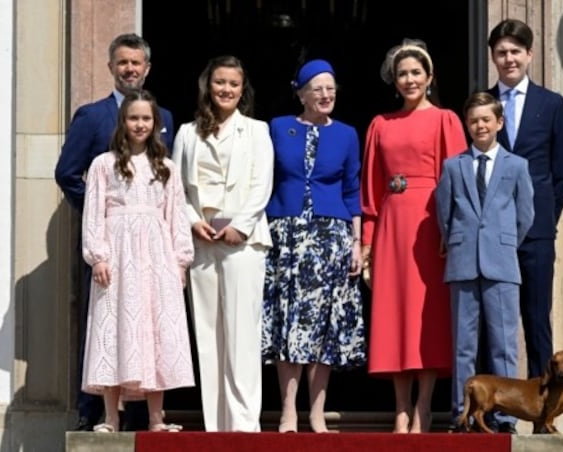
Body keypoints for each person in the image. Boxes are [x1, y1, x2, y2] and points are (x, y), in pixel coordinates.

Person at [54, 32, 175, 432]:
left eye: (136, 62)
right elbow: (67, 173)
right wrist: (102, 220)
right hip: (110, 247)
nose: (129, 69)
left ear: (147, 68)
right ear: (111, 66)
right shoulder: (92, 116)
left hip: (151, 250)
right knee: (107, 325)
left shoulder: (166, 118)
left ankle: (142, 416)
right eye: (122, 62)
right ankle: (95, 414)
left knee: (147, 324)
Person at [360, 39, 467, 433]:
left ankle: (424, 406)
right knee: (393, 313)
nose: (409, 79)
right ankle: (400, 408)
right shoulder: (379, 124)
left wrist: (450, 228)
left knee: (427, 315)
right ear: (394, 79)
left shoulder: (445, 120)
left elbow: (456, 181)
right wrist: (367, 244)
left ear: (429, 76)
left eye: (416, 72)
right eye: (402, 73)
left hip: (429, 224)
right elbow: (370, 191)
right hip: (391, 224)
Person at [262, 59, 366, 433]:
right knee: (289, 322)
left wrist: (358, 242)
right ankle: (288, 410)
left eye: (331, 88)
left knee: (323, 328)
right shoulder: (277, 128)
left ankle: (317, 412)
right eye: (317, 88)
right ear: (301, 93)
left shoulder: (348, 134)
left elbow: (353, 189)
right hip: (286, 236)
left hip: (331, 239)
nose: (326, 95)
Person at [81, 90, 195, 433]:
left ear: (156, 124)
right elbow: (93, 215)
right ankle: (111, 418)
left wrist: (180, 262)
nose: (140, 124)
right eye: (134, 118)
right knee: (114, 327)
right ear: (123, 122)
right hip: (116, 255)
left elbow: (176, 216)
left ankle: (156, 418)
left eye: (146, 118)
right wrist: (97, 255)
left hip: (156, 257)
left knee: (154, 330)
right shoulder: (103, 164)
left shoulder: (167, 168)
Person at [172, 55, 274, 432]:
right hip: (202, 241)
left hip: (243, 243)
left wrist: (241, 226)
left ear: (241, 89)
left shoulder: (257, 130)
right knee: (208, 333)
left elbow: (262, 184)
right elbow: (176, 189)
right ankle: (216, 425)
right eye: (219, 82)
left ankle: (244, 424)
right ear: (208, 86)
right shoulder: (186, 133)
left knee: (241, 333)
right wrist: (192, 221)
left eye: (233, 83)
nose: (226, 89)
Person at [434, 92, 534, 433]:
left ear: (499, 123)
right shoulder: (453, 166)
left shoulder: (516, 165)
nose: (480, 126)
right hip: (462, 263)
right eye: (474, 120)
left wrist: (502, 245)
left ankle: (505, 416)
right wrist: (460, 243)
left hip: (502, 264)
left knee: (503, 346)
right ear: (467, 123)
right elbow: (444, 215)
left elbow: (525, 216)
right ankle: (462, 415)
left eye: (486, 120)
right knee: (464, 345)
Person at [485, 19, 563, 380]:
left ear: (530, 55)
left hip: (536, 232)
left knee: (537, 317)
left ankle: (543, 412)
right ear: (493, 57)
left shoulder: (551, 104)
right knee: (494, 322)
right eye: (502, 52)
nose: (509, 59)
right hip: (491, 231)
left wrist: (544, 217)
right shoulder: (483, 104)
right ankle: (492, 413)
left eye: (515, 52)